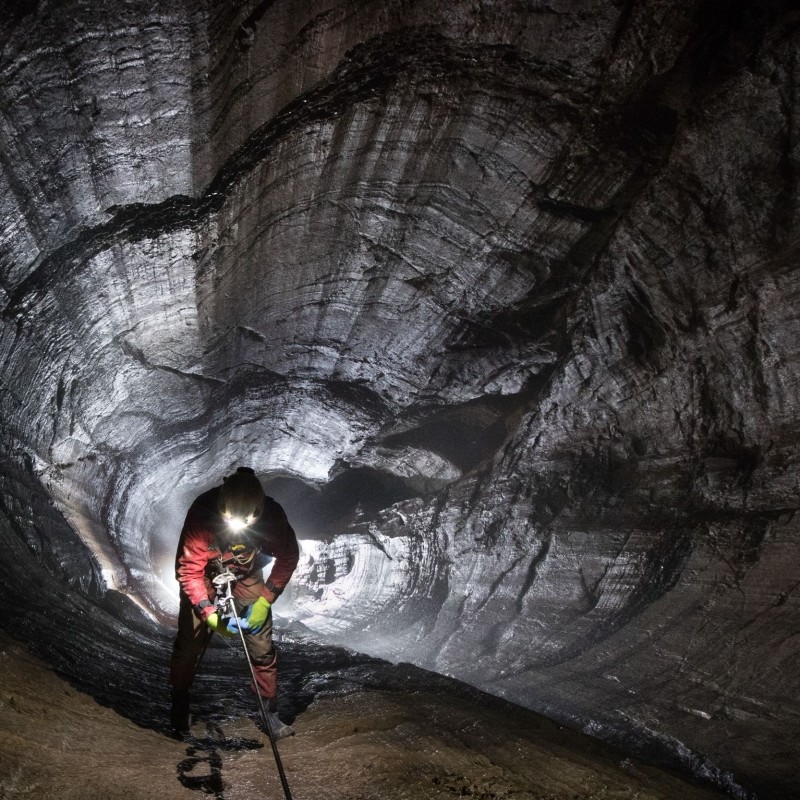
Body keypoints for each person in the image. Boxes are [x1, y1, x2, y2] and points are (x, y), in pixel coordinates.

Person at [169, 466, 299, 737]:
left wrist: (265, 601)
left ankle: (268, 712)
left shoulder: (272, 518)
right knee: (190, 643)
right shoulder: (203, 514)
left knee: (261, 642)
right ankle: (179, 704)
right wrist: (209, 613)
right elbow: (189, 570)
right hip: (205, 573)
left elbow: (288, 557)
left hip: (247, 573)